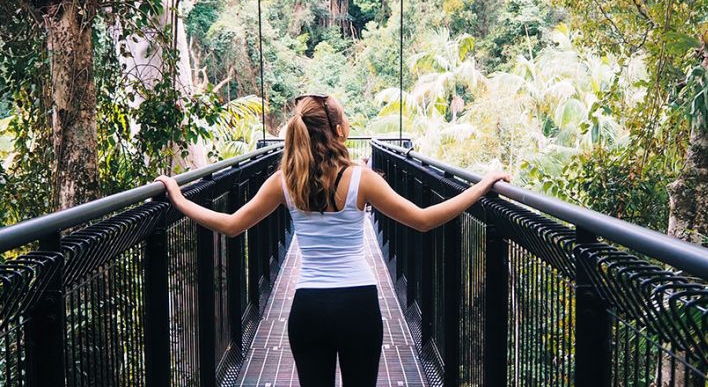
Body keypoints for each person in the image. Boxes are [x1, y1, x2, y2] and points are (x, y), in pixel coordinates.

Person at [154, 94, 510, 387]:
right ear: (339, 131)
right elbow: (423, 220)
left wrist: (181, 199)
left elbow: (231, 225)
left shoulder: (285, 181)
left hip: (308, 308)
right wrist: (479, 187)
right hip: (359, 305)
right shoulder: (361, 179)